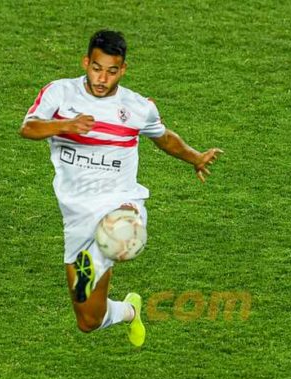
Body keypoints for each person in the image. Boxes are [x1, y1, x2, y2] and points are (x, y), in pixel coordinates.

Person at [19, 30, 222, 346]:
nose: (102, 78)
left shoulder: (137, 107)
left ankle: (101, 253)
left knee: (120, 235)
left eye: (111, 71)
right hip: (77, 216)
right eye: (97, 68)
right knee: (89, 321)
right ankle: (129, 311)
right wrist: (64, 125)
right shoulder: (60, 94)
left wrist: (195, 157)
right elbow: (28, 128)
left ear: (122, 70)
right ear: (86, 62)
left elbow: (163, 136)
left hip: (121, 202)